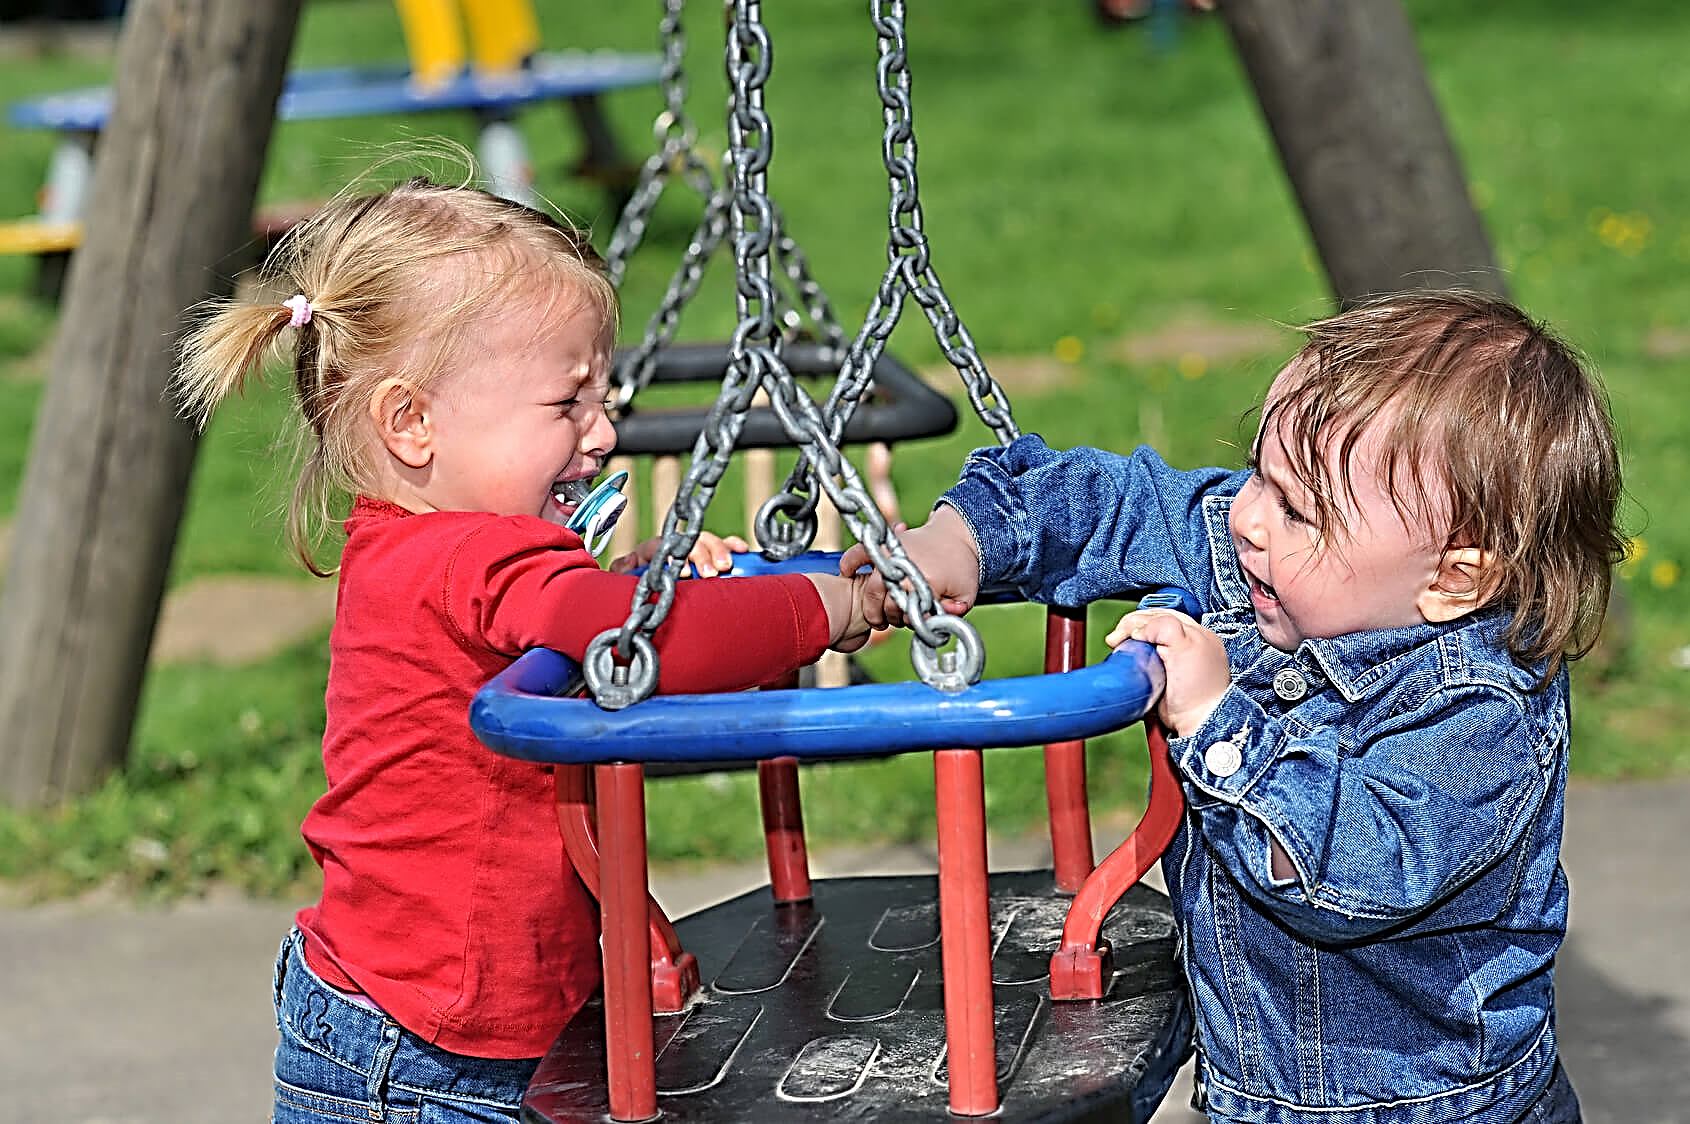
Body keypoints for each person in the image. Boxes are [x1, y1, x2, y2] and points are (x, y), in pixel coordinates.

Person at [174, 169, 872, 1124]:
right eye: (566, 406)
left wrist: (635, 576)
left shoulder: (430, 546)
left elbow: (590, 623)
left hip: (446, 1020)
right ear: (410, 422)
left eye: (604, 396)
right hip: (423, 1056)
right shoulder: (471, 555)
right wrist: (832, 604)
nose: (606, 430)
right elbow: (644, 642)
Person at [842, 291, 1623, 1124]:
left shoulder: (1481, 712)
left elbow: (1345, 877)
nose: (1247, 517)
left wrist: (1218, 719)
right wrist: (958, 543)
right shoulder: (1280, 563)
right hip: (1252, 1096)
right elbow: (1113, 501)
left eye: (1297, 509)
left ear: (1452, 579)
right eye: (1259, 470)